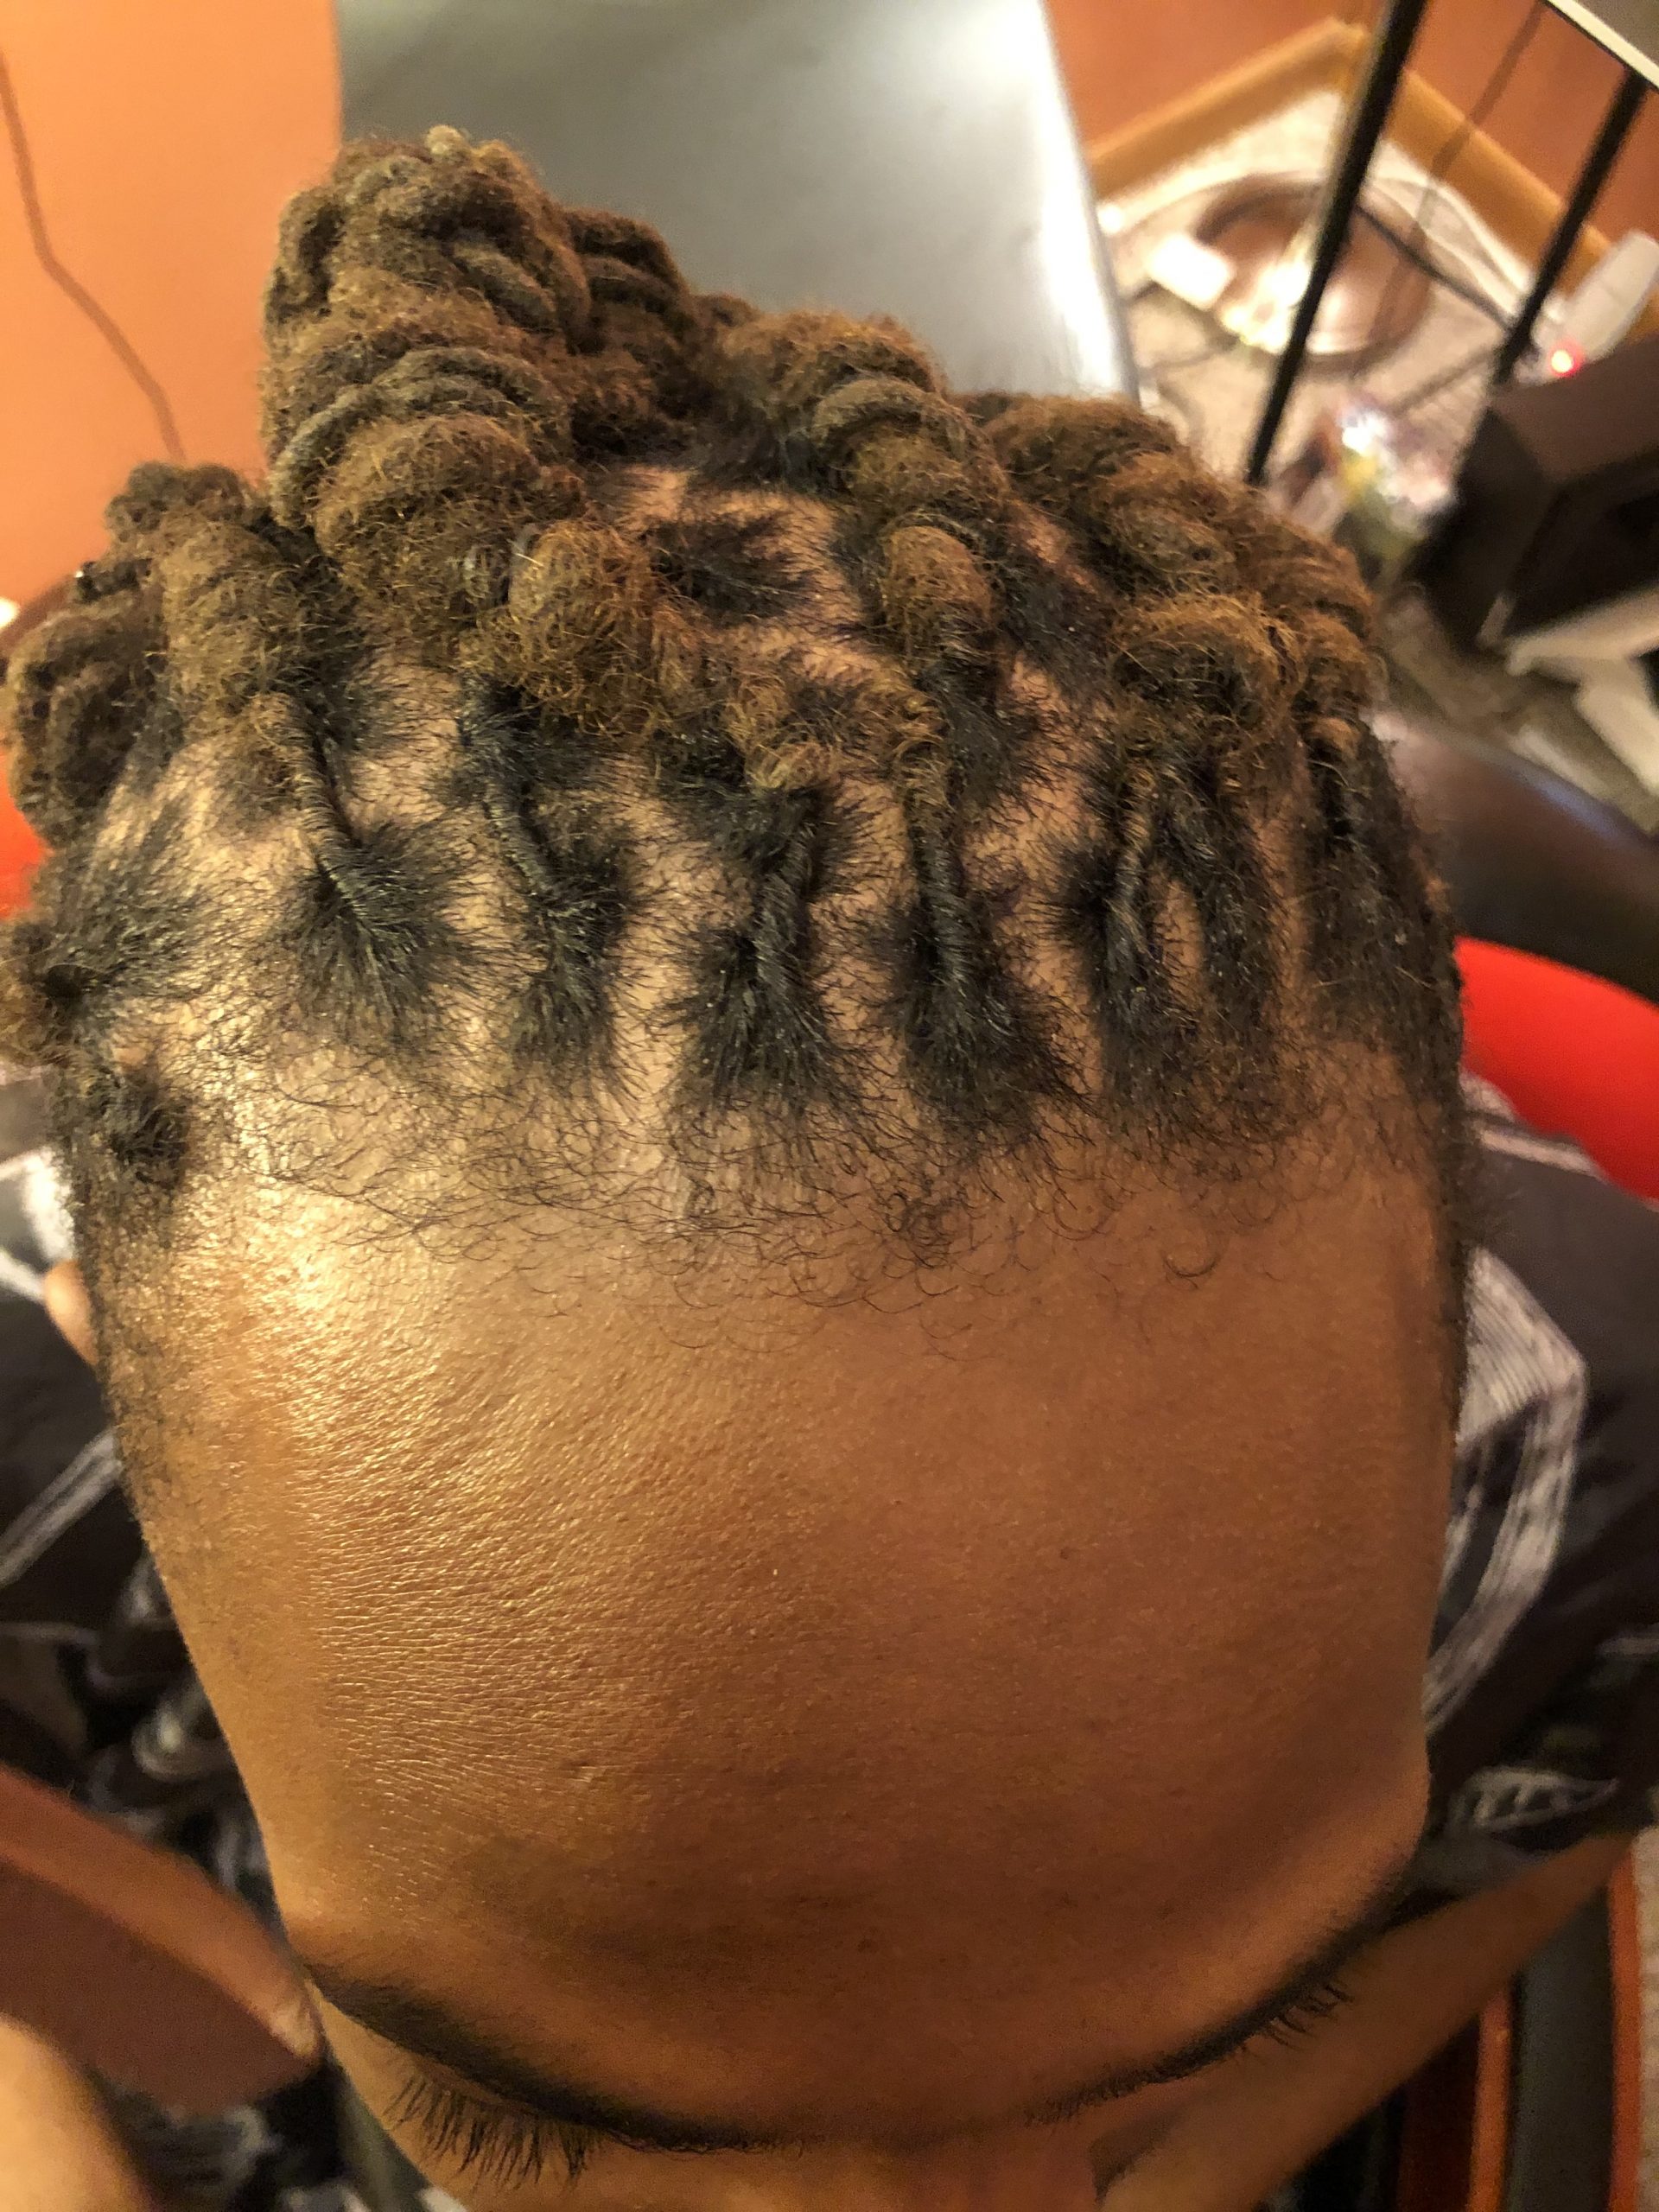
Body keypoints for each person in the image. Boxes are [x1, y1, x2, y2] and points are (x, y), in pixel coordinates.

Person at [2, 124, 1657, 2212]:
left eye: (1231, 2009)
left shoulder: (1599, 1457)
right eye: (534, 2109)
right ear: (110, 1370)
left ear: (1458, 1337)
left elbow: (1540, 1852)